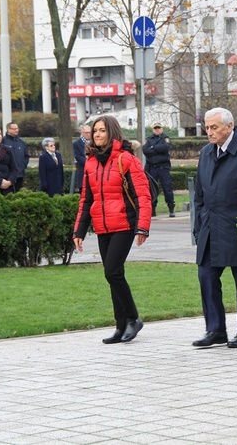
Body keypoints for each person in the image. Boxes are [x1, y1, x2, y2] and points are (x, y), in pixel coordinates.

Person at [73, 115, 151, 344]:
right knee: (113, 275)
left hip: (124, 225)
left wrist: (143, 227)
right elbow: (86, 200)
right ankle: (120, 326)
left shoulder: (126, 159)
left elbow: (143, 196)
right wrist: (79, 231)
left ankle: (133, 319)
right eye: (95, 130)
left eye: (102, 131)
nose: (97, 134)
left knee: (112, 272)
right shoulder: (90, 162)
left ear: (112, 133)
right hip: (102, 226)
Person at [193, 108, 237, 349]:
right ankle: (215, 329)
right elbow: (199, 195)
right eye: (207, 127)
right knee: (206, 276)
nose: (209, 132)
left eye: (214, 127)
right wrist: (198, 226)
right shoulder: (206, 152)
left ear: (230, 126)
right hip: (210, 227)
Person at [142, 123, 175, 217]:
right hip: (152, 168)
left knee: (167, 188)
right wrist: (158, 149)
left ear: (162, 129)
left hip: (163, 167)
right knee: (152, 189)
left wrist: (153, 148)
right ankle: (152, 210)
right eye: (155, 128)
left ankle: (171, 208)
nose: (157, 130)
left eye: (158, 128)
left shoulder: (165, 138)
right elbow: (145, 151)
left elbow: (166, 148)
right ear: (153, 129)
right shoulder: (148, 139)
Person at [1, 122, 29, 192]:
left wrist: (23, 165)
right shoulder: (3, 141)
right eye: (14, 129)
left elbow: (26, 156)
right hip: (8, 175)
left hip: (19, 174)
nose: (16, 130)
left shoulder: (21, 142)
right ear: (8, 129)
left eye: (17, 128)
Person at [72, 125, 91, 193]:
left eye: (90, 132)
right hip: (83, 172)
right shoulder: (76, 144)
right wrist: (90, 164)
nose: (88, 134)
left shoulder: (94, 142)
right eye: (86, 132)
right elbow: (78, 157)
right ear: (81, 132)